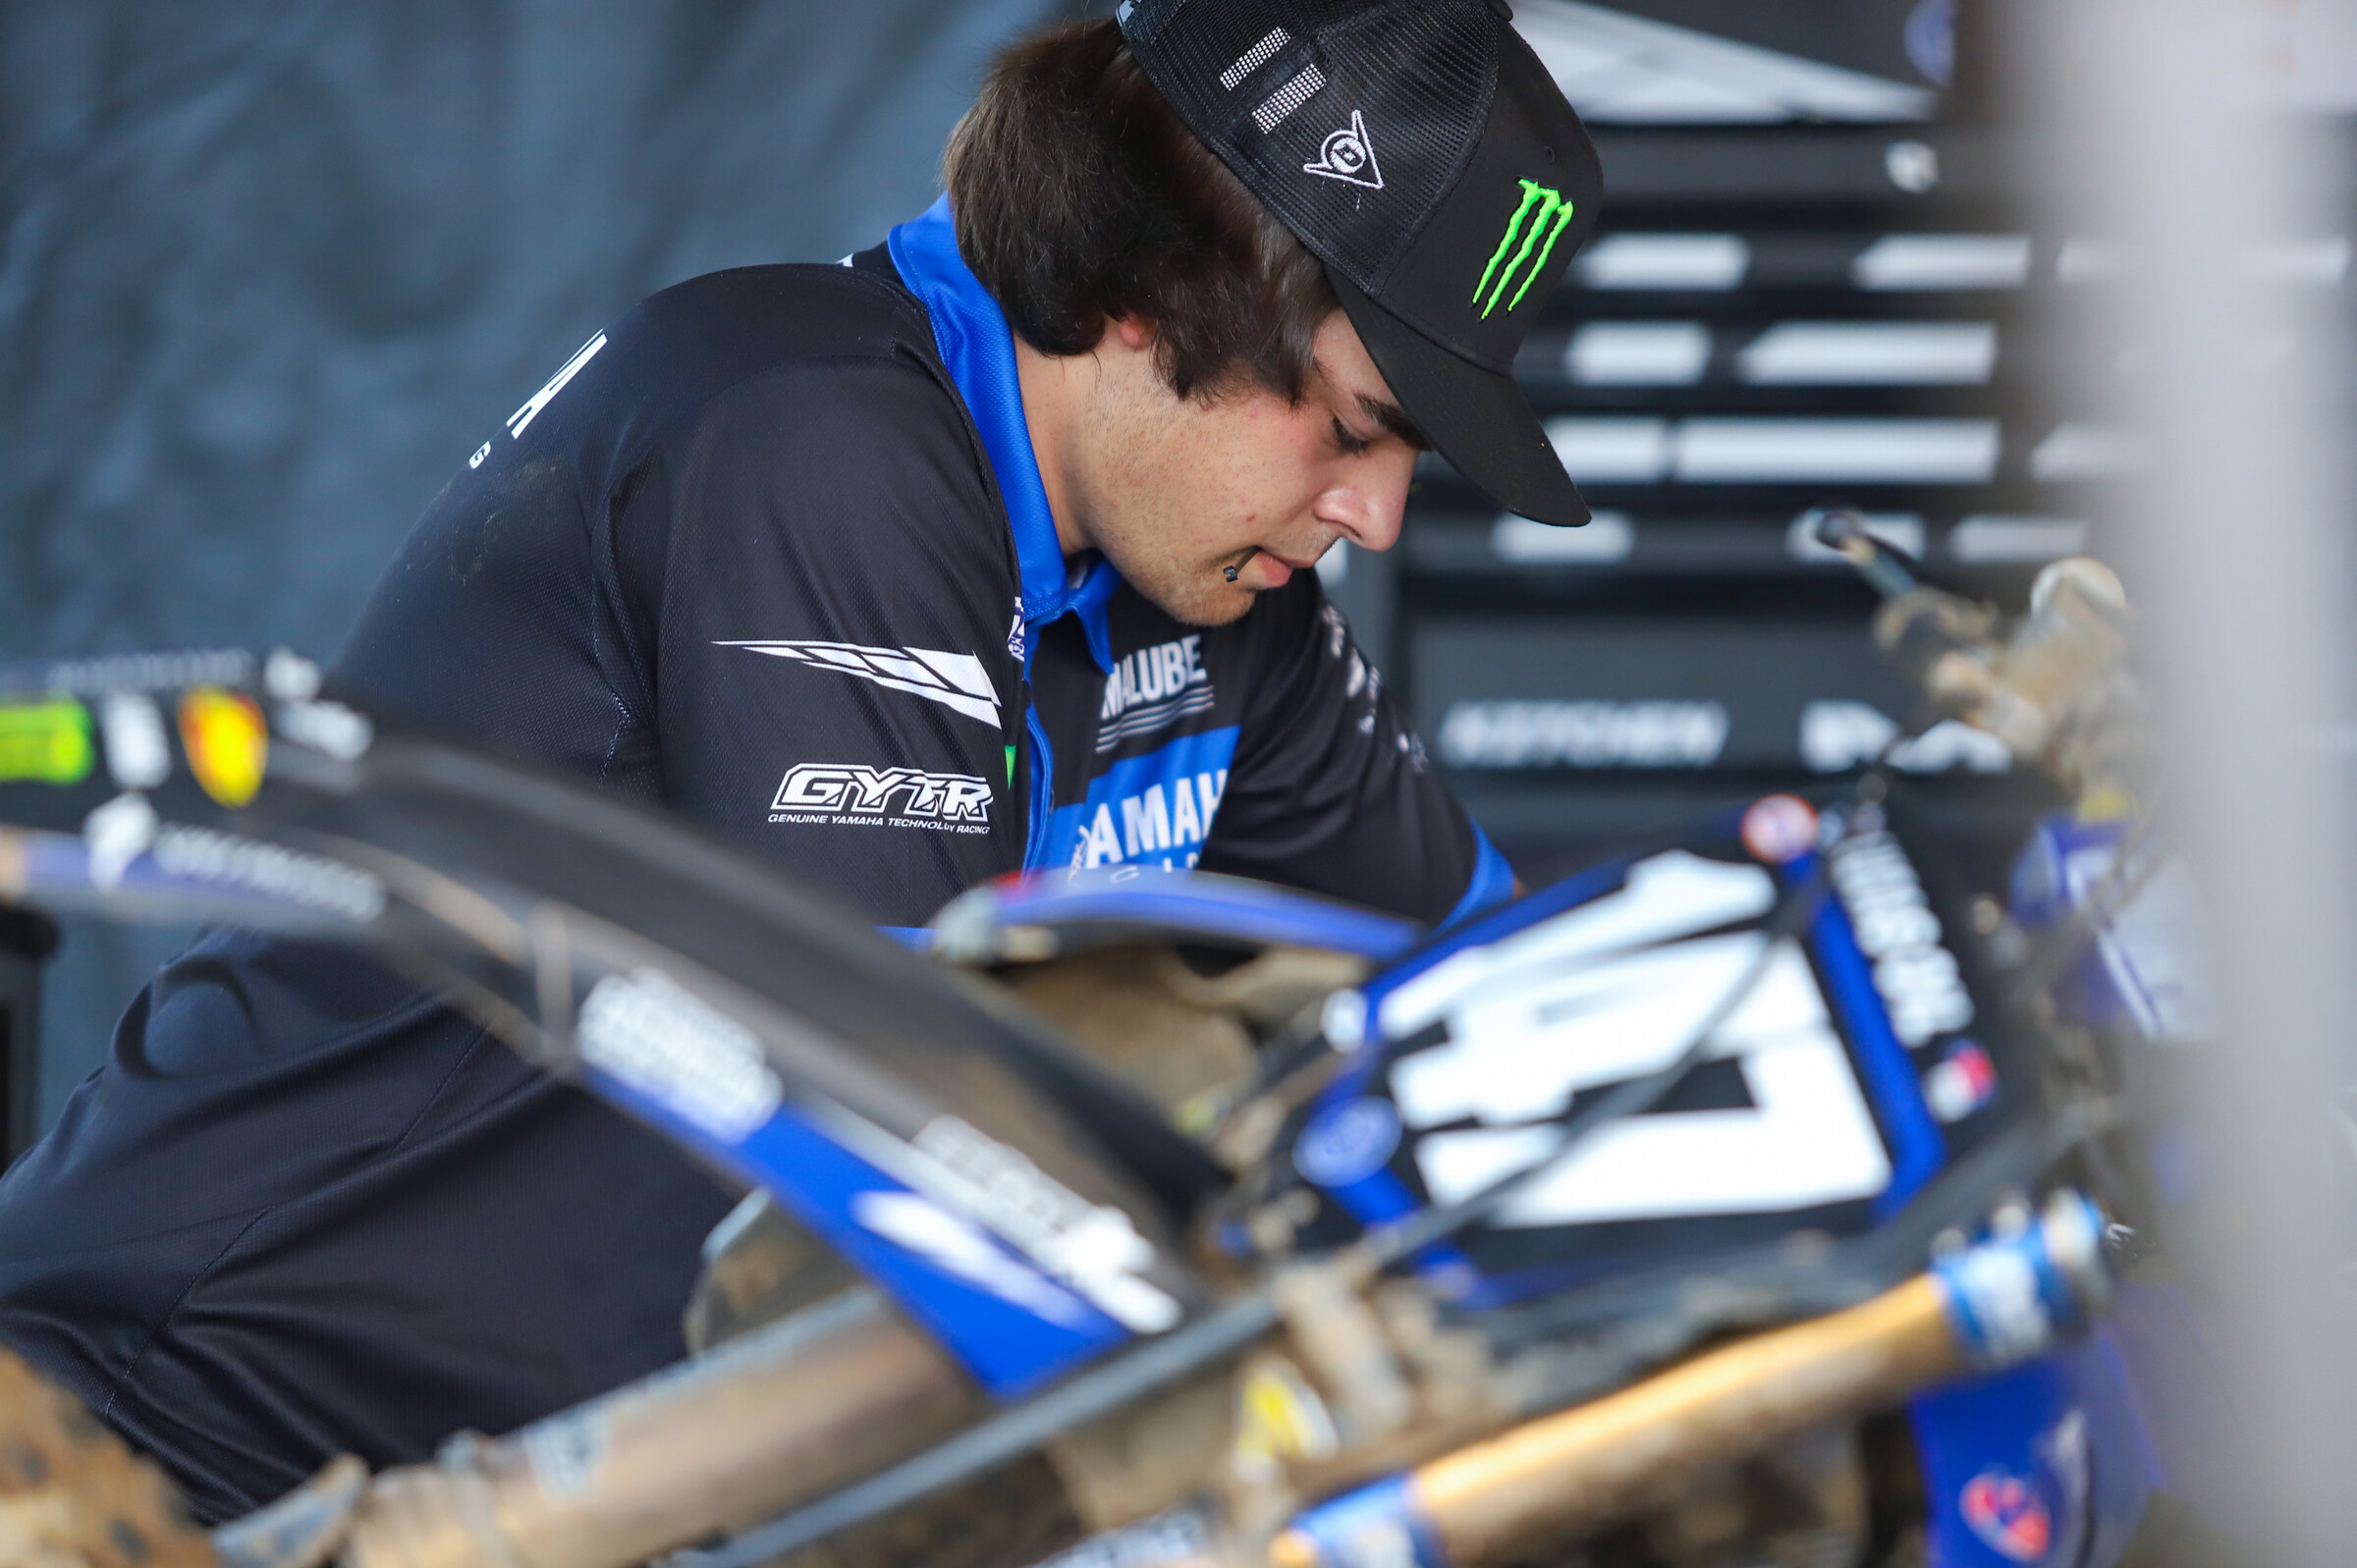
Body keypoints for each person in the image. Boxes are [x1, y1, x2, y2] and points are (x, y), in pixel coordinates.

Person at [0, 0, 1602, 1524]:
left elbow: (1499, 1002)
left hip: (588, 1497)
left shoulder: (1228, 589)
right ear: (1146, 289)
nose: (1375, 516)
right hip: (188, 1448)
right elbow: (919, 1185)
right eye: (1357, 424)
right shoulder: (806, 431)